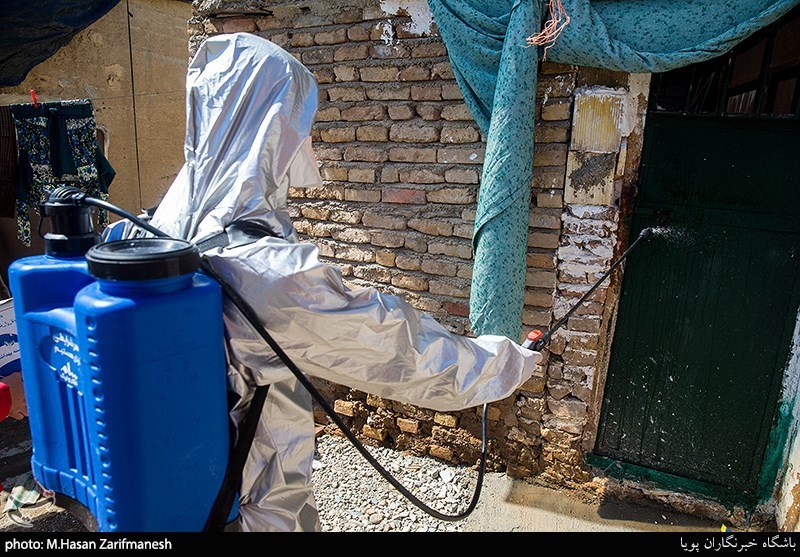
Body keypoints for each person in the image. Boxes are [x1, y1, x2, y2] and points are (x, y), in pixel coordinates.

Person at [115, 32, 543, 532]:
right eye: (301, 124)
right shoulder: (258, 271)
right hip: (246, 503)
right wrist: (507, 363)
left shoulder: (139, 233)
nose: (306, 140)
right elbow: (399, 351)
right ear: (272, 127)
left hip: (167, 487)